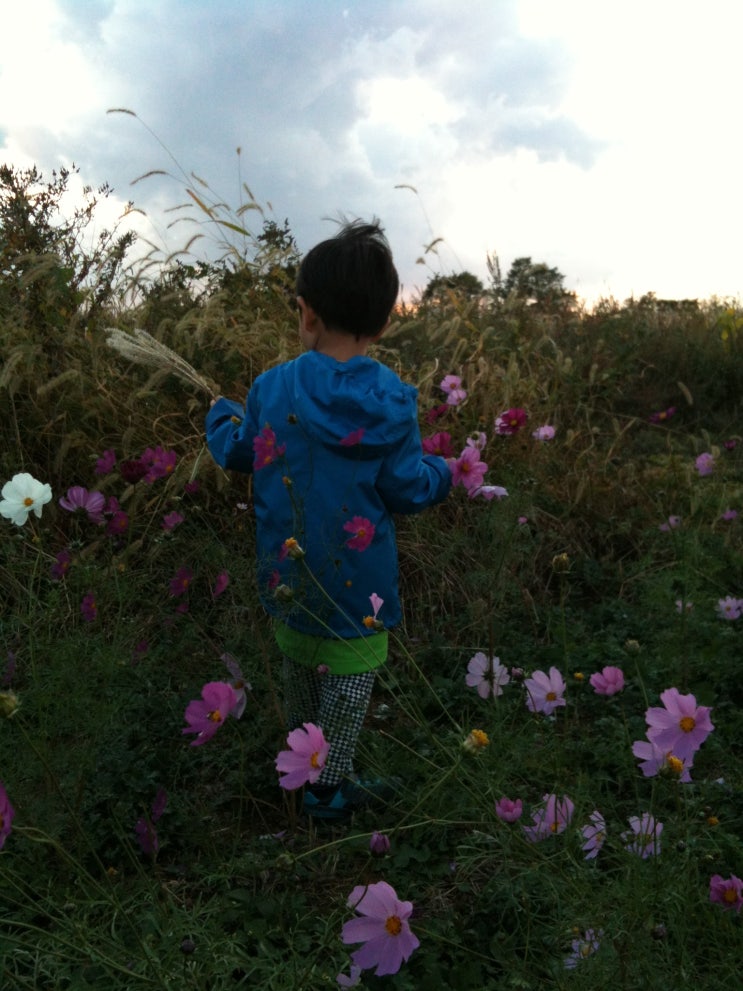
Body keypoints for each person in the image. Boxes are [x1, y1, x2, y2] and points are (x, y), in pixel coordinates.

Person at [205, 219, 451, 820]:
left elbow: (239, 452)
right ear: (385, 321)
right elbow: (407, 489)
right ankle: (326, 792)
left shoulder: (272, 388)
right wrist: (442, 471)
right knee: (346, 693)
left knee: (299, 682)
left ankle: (300, 768)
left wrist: (220, 415)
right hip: (359, 594)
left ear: (306, 313)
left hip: (289, 578)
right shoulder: (394, 399)